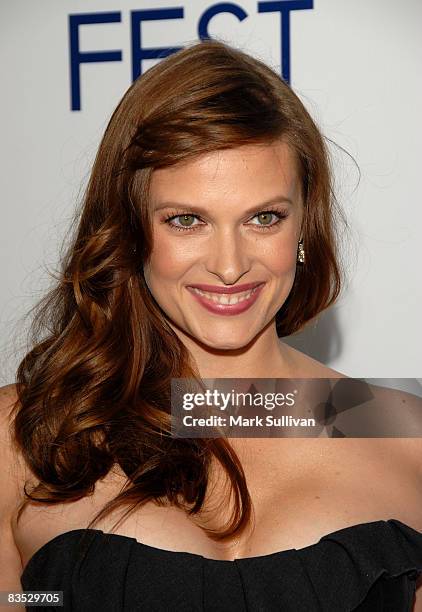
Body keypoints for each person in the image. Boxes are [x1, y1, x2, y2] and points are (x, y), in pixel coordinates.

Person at [0, 38, 421, 611]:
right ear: (130, 230)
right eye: (187, 220)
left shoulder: (402, 435)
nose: (229, 265)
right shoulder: (22, 434)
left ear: (305, 228)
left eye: (264, 218)